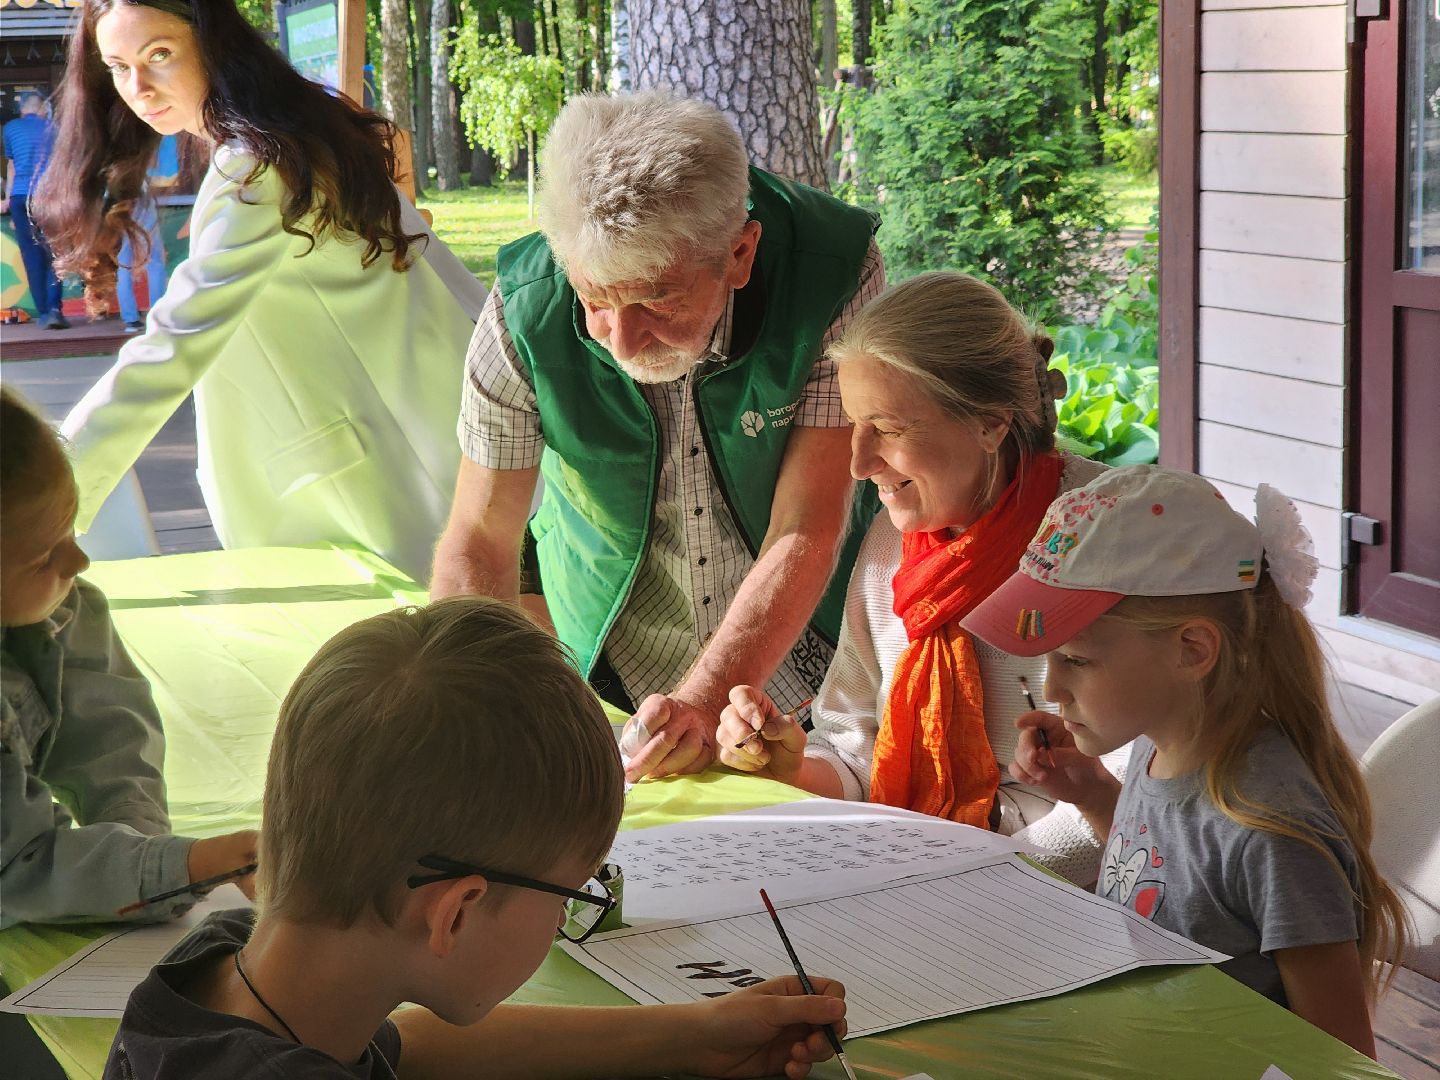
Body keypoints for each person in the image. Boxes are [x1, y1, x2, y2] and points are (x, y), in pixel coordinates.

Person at [104, 596, 849, 1079]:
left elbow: (410, 1048)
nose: (564, 916)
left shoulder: (232, 967)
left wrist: (700, 1034)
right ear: (455, 912)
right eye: (569, 894)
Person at [431, 90, 884, 781]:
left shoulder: (832, 273)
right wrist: (472, 714)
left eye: (657, 298)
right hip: (608, 661)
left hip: (801, 668)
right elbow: (479, 540)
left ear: (740, 252)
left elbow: (808, 525)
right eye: (596, 299)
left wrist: (704, 702)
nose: (622, 338)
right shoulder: (521, 311)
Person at [960, 465, 1408, 1057]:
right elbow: (1168, 878)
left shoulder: (1274, 833)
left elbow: (1342, 1059)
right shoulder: (1161, 744)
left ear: (1191, 650)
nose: (1053, 689)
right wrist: (1095, 795)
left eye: (1077, 660)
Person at [38, 0, 486, 583]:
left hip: (374, 473)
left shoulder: (254, 167)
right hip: (418, 435)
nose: (138, 87)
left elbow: (177, 342)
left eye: (159, 55)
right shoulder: (287, 136)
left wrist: (47, 487)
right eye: (118, 66)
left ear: (214, 44)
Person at [712, 271, 1118, 884]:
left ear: (990, 422)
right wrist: (790, 765)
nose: (858, 462)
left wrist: (970, 878)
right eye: (854, 424)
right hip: (927, 879)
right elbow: (858, 752)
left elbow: (1147, 795)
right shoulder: (890, 546)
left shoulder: (1114, 536)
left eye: (891, 428)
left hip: (1077, 899)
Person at [1, 386, 258, 928]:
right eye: (45, 554)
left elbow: (111, 734)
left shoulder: (57, 604)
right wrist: (183, 867)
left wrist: (142, 847)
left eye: (71, 526)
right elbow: (14, 870)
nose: (80, 560)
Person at [1, 91, 68, 329]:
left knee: (32, 257)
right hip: (49, 197)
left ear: (22, 110)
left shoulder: (10, 128)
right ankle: (53, 310)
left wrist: (8, 200)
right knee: (55, 254)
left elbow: (12, 167)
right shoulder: (55, 129)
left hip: (21, 196)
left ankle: (42, 312)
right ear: (42, 109)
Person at [116, 133, 179, 333]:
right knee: (155, 260)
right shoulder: (142, 132)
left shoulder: (114, 133)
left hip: (116, 198)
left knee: (123, 262)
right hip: (139, 193)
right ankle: (157, 314)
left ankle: (130, 319)